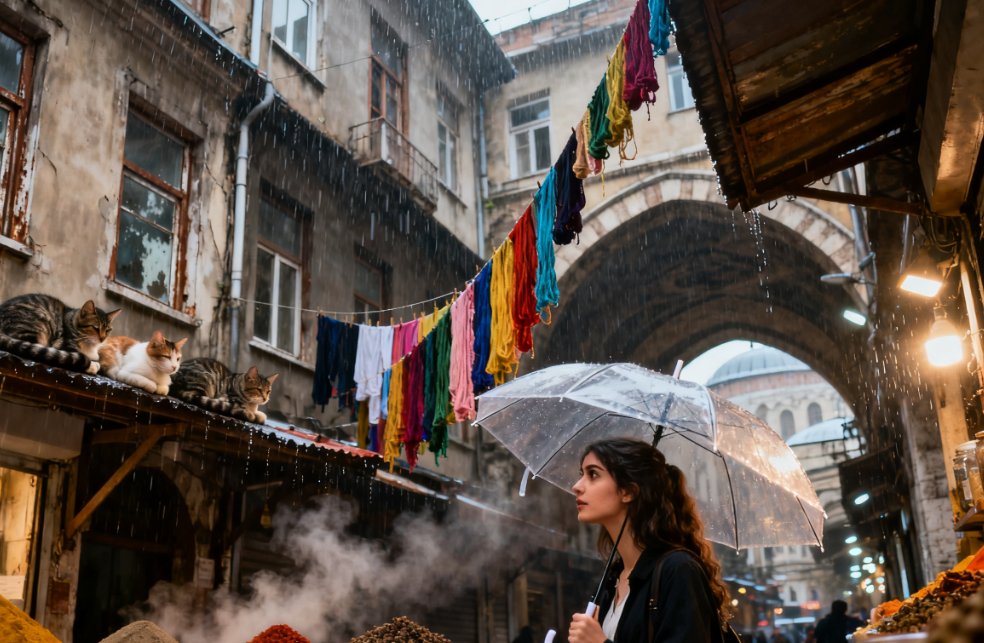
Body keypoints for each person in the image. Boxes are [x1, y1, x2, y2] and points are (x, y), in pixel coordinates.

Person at [567, 438, 733, 643]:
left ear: (628, 491)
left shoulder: (678, 570)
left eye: (593, 474)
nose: (577, 486)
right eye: (582, 474)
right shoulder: (613, 578)